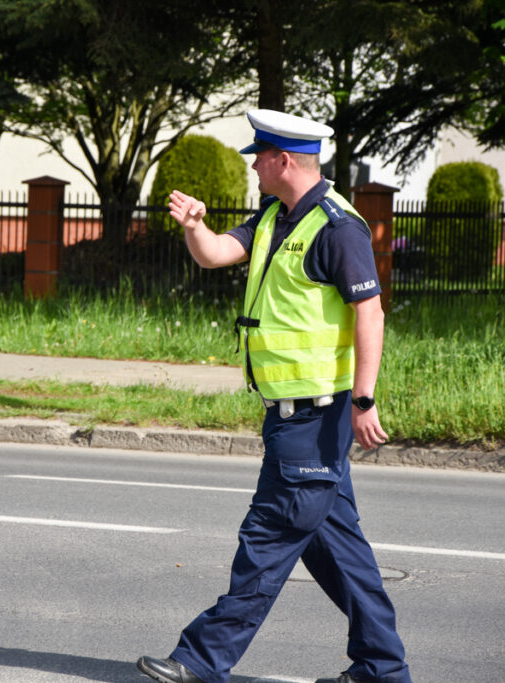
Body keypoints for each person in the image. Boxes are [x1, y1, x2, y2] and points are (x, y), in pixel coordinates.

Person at [136, 109, 412, 683]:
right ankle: (382, 670)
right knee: (340, 555)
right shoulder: (273, 216)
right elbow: (215, 254)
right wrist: (193, 226)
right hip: (289, 418)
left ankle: (199, 662)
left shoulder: (338, 227)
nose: (254, 167)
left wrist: (364, 400)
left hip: (316, 416)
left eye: (259, 157)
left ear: (284, 160)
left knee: (269, 539)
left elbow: (371, 311)